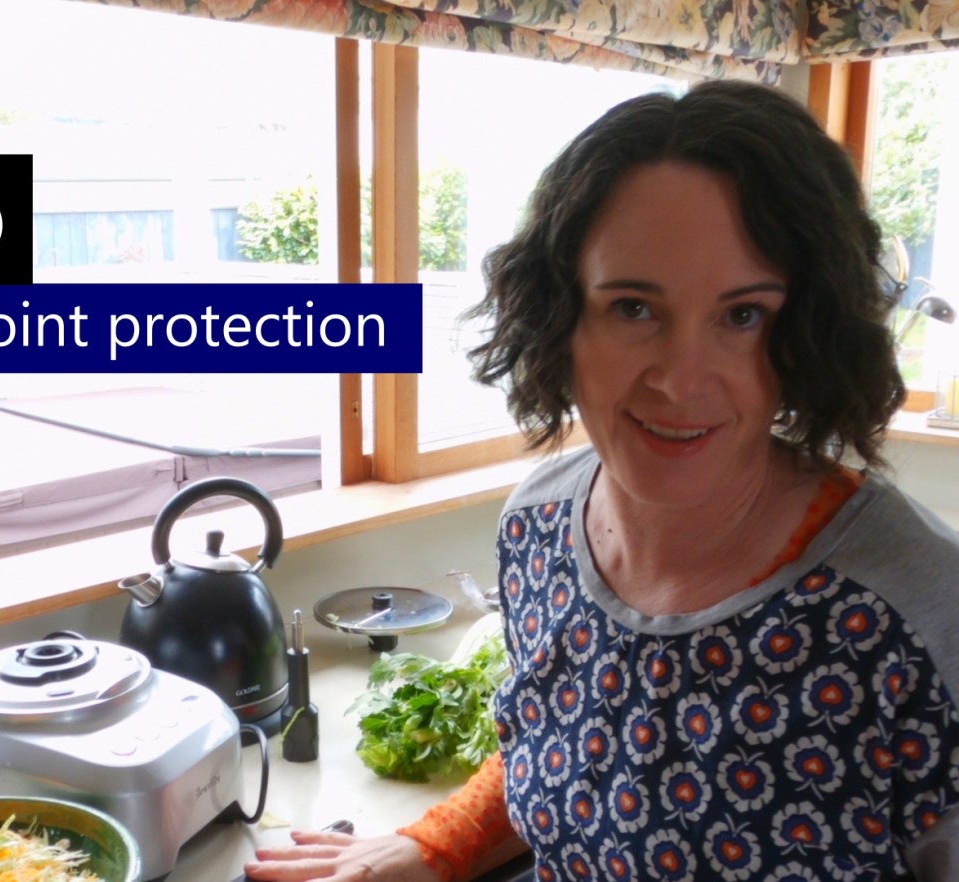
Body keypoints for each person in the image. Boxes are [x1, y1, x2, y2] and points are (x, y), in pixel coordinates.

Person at [244, 79, 959, 882]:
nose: (680, 380)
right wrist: (434, 844)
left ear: (807, 333)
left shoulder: (923, 612)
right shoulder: (538, 526)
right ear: (561, 319)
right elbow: (569, 757)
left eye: (742, 315)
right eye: (633, 308)